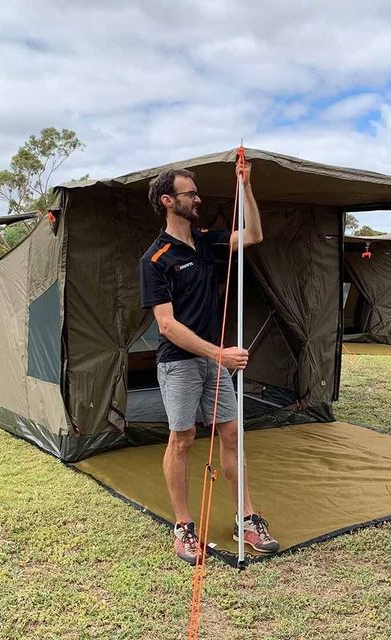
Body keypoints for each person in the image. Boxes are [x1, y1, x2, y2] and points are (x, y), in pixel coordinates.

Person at [139, 163, 279, 564]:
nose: (198, 198)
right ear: (168, 201)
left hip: (214, 364)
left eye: (197, 193)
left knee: (232, 436)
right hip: (180, 364)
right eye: (189, 194)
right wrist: (219, 353)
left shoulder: (206, 241)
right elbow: (166, 326)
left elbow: (253, 234)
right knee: (181, 441)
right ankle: (183, 528)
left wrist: (247, 185)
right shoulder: (155, 259)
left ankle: (246, 519)